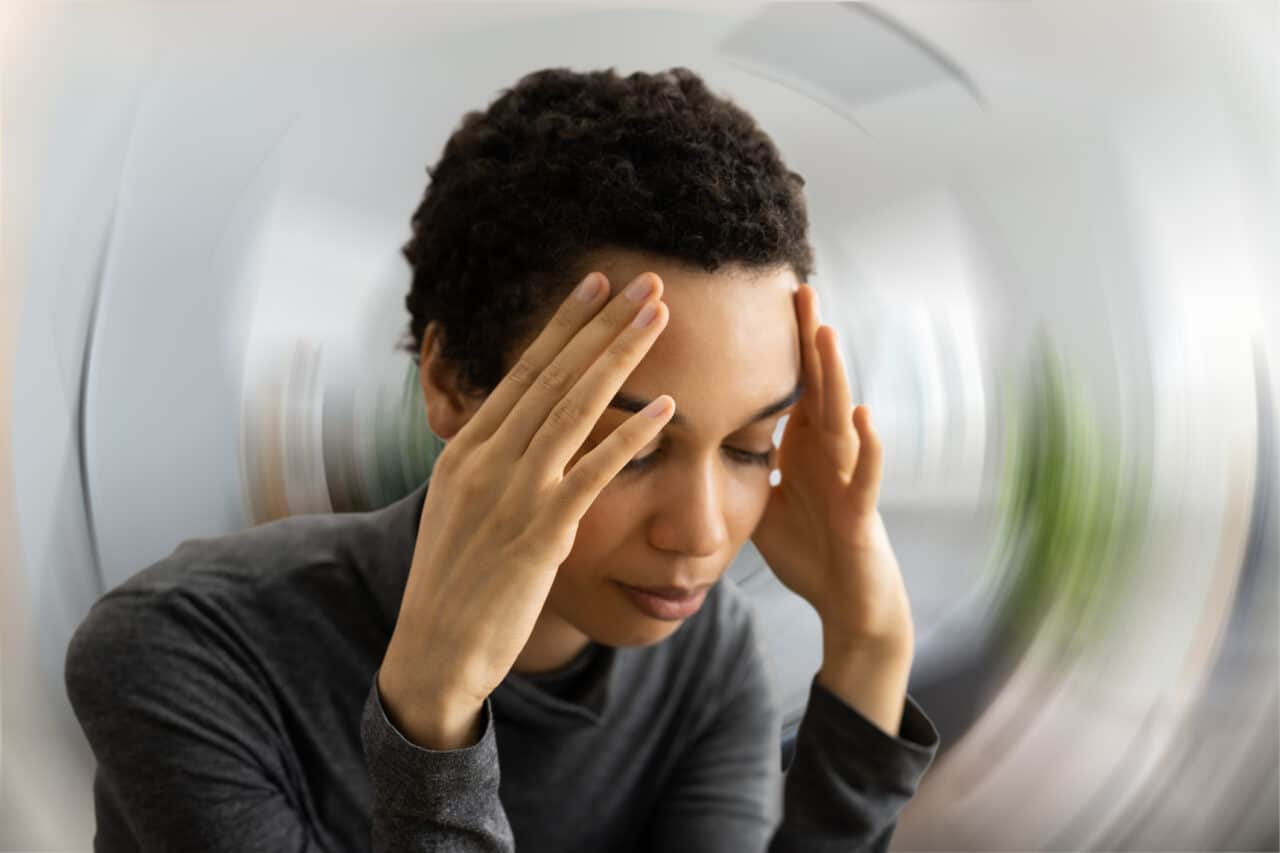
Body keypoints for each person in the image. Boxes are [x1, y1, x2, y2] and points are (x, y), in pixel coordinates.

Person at [64, 66, 939, 852]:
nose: (703, 533)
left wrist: (869, 646)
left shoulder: (705, 658)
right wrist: (431, 717)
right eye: (627, 449)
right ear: (450, 379)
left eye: (751, 448)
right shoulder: (184, 651)